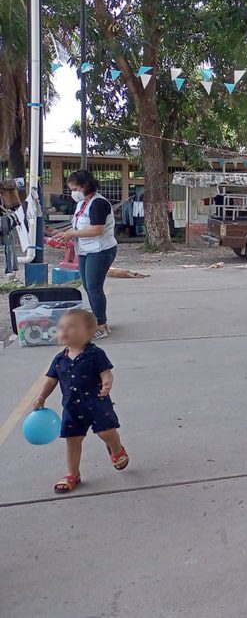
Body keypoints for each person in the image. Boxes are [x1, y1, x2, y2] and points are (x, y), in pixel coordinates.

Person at [32, 309, 128, 494]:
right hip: (72, 407)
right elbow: (52, 379)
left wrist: (107, 382)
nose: (64, 331)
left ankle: (116, 449)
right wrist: (41, 396)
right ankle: (72, 473)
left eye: (72, 327)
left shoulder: (95, 354)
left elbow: (105, 371)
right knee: (73, 440)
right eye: (61, 327)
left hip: (97, 403)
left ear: (88, 332)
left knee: (106, 432)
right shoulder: (60, 359)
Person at [53, 169, 118, 339]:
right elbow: (79, 227)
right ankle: (97, 320)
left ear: (86, 186)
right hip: (86, 249)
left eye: (75, 189)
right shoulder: (82, 204)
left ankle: (101, 325)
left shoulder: (98, 203)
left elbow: (97, 229)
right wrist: (63, 234)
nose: (73, 193)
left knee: (95, 287)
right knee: (88, 287)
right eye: (71, 189)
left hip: (100, 250)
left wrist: (71, 234)